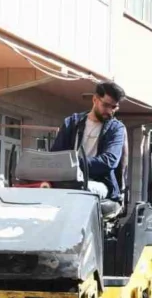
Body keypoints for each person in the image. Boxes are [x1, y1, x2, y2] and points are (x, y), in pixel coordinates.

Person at [49, 81, 127, 211]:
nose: (109, 111)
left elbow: (109, 161)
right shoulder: (72, 123)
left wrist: (74, 165)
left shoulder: (116, 128)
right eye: (106, 105)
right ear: (95, 99)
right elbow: (56, 155)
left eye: (114, 107)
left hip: (101, 183)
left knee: (80, 191)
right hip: (68, 180)